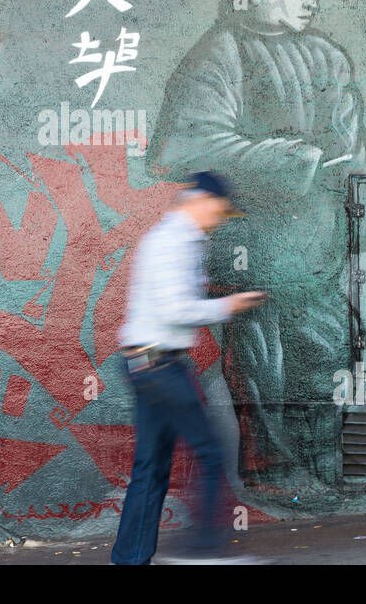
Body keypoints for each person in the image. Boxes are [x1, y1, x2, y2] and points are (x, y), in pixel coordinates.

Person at [145, 0, 366, 497]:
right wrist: (284, 159)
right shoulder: (219, 53)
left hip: (315, 250)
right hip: (248, 250)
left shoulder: (329, 56)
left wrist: (365, 213)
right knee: (261, 364)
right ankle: (272, 468)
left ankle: (327, 457)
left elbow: (353, 149)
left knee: (329, 350)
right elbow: (183, 146)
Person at [110, 172, 267, 565]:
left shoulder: (179, 239)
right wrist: (227, 306)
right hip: (160, 367)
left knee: (150, 467)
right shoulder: (173, 242)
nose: (219, 218)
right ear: (199, 200)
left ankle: (130, 558)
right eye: (218, 209)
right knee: (212, 454)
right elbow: (175, 309)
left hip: (145, 363)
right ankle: (203, 550)